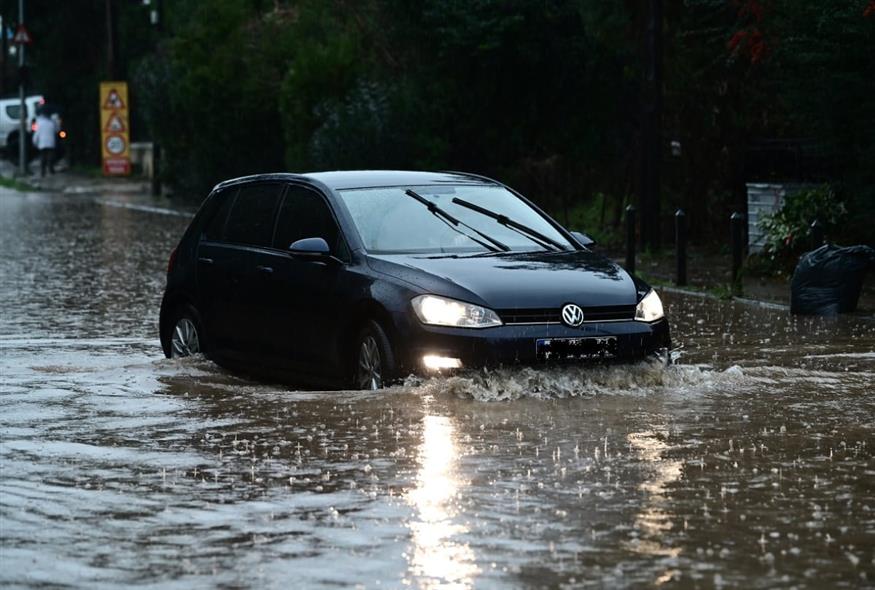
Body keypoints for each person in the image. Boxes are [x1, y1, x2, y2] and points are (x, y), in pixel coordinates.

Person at [32, 109, 57, 177]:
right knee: (50, 156)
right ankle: (51, 169)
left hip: (42, 143)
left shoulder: (39, 122)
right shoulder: (52, 122)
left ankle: (43, 172)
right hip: (51, 142)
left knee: (43, 157)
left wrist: (34, 142)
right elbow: (56, 130)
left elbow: (36, 134)